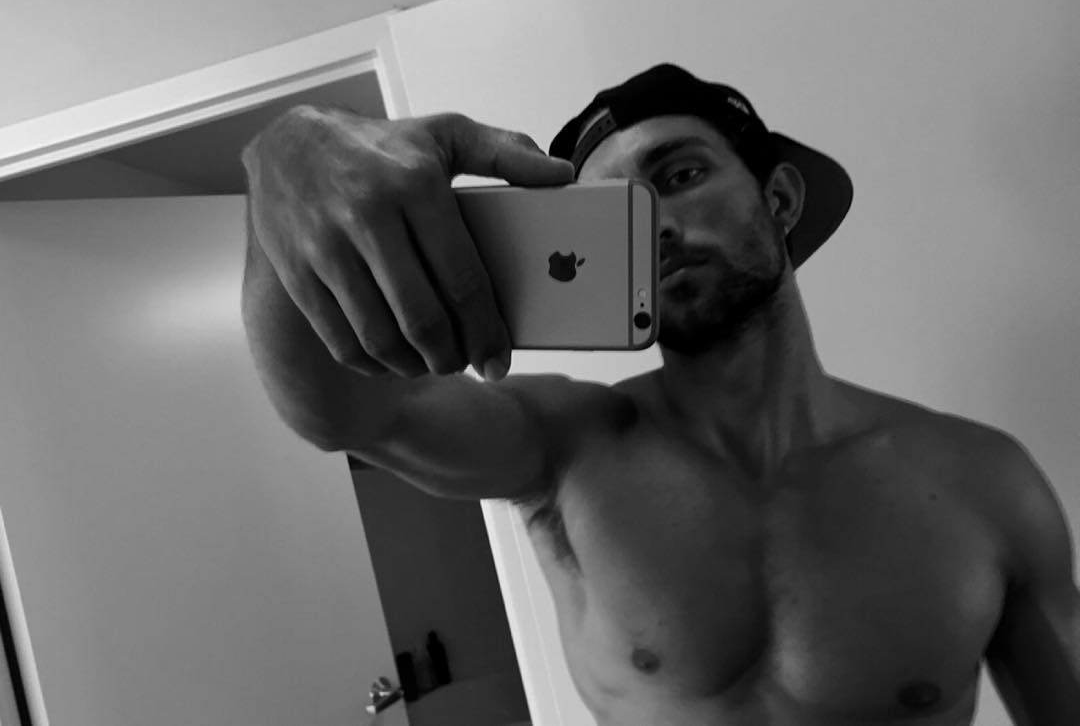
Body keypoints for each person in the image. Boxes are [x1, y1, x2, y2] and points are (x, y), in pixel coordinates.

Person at [239, 63, 1080, 724]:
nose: (656, 226)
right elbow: (339, 413)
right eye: (617, 211)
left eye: (679, 175)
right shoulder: (564, 447)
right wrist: (283, 165)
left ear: (780, 199)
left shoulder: (985, 484)